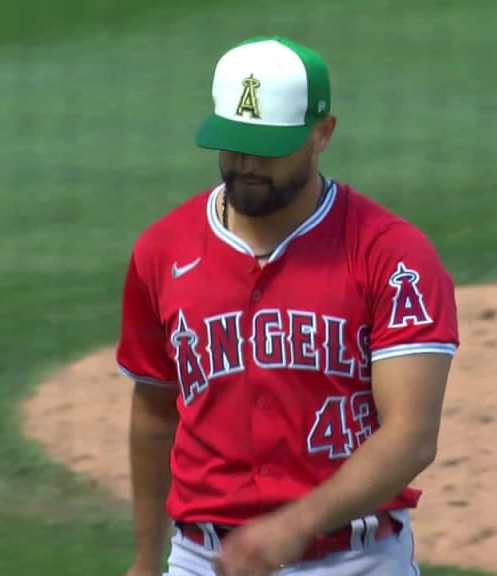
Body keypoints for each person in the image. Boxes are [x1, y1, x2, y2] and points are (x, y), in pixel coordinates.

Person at [117, 35, 460, 576]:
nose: (247, 163)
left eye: (269, 147)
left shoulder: (390, 253)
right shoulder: (163, 250)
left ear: (323, 133)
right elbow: (155, 412)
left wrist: (295, 525)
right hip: (203, 560)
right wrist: (143, 556)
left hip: (355, 561)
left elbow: (412, 435)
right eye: (232, 143)